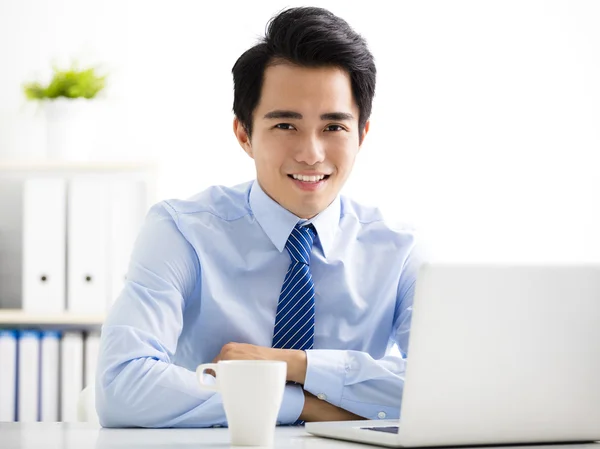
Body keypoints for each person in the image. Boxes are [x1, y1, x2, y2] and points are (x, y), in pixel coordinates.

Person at [96, 6, 424, 428]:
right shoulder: (181, 231)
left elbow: (449, 386)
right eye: (286, 125)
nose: (311, 153)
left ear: (361, 134)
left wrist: (294, 364)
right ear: (244, 135)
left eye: (334, 127)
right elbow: (121, 386)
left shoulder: (400, 249)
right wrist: (301, 406)